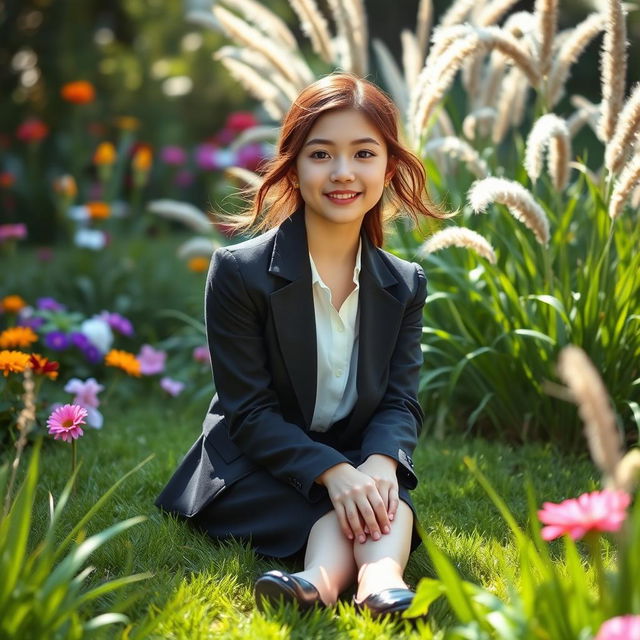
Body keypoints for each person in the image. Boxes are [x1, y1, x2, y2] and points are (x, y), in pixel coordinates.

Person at [155, 72, 446, 619]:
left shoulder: (405, 283)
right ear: (293, 165)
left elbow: (401, 400)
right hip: (255, 464)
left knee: (381, 493)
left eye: (364, 153)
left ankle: (364, 582)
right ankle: (343, 575)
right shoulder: (240, 273)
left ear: (390, 165)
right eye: (321, 154)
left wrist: (381, 463)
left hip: (356, 458)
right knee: (345, 500)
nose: (343, 173)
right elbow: (250, 412)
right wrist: (335, 474)